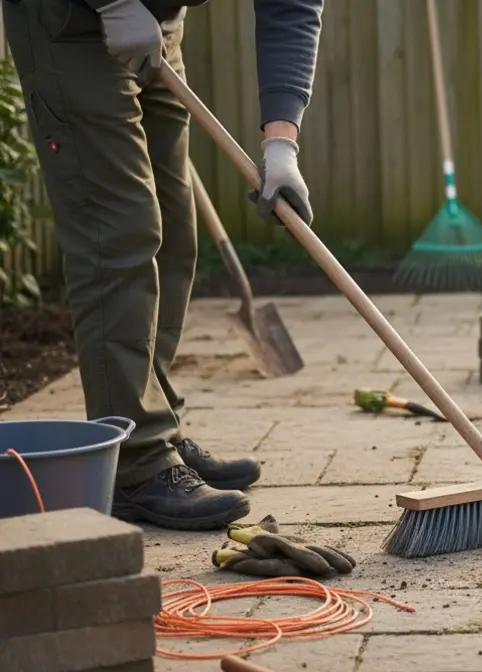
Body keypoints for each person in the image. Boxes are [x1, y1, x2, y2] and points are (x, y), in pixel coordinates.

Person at [1, 0, 323, 528]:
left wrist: (281, 143)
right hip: (67, 18)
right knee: (118, 231)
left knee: (174, 231)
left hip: (159, 20)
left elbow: (291, 7)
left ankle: (155, 424)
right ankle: (134, 460)